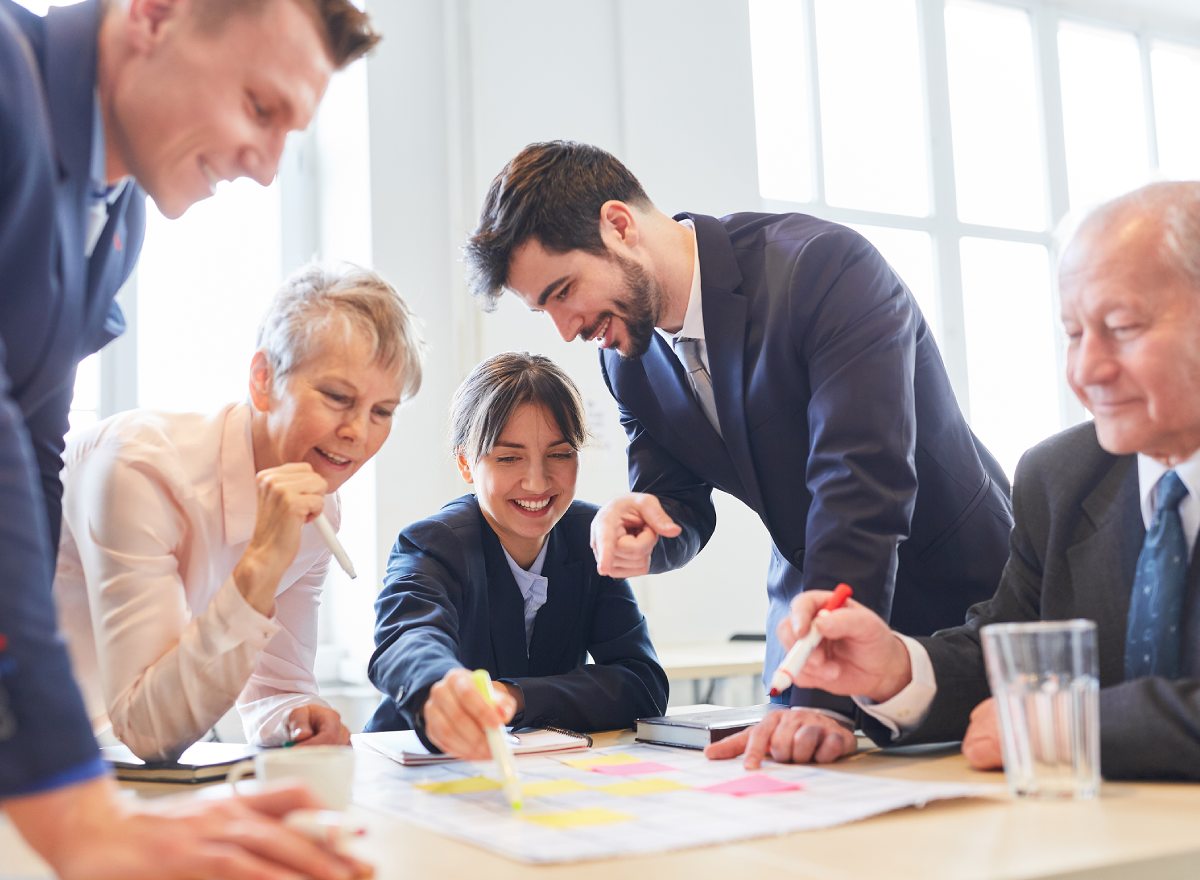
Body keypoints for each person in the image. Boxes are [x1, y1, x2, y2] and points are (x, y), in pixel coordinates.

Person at [464, 140, 1013, 762]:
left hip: (958, 607)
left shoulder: (822, 269)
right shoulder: (630, 362)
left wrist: (821, 698)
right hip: (807, 629)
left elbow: (858, 483)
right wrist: (649, 530)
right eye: (545, 311)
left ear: (619, 227)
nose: (566, 329)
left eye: (563, 292)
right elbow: (679, 506)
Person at [0, 0, 382, 880]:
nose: (267, 165)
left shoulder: (118, 215)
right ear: (154, 15)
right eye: (259, 107)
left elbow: (29, 457)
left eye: (293, 131)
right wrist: (74, 805)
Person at [711, 182, 1200, 780]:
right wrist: (894, 668)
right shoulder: (1061, 477)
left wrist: (1066, 724)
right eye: (1073, 334)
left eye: (1122, 326)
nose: (1087, 369)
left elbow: (1044, 711)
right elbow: (1001, 652)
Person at [56, 263, 422, 762]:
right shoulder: (139, 468)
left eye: (383, 412)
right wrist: (262, 563)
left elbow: (275, 688)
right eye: (338, 398)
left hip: (97, 765)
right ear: (263, 380)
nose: (359, 432)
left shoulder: (319, 515)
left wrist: (295, 718)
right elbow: (147, 730)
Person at [364, 352, 667, 758]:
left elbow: (642, 684)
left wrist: (514, 696)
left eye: (559, 454)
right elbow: (407, 637)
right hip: (418, 766)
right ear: (465, 464)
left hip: (537, 773)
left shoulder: (589, 536)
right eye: (508, 458)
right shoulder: (435, 542)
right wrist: (443, 685)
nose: (537, 481)